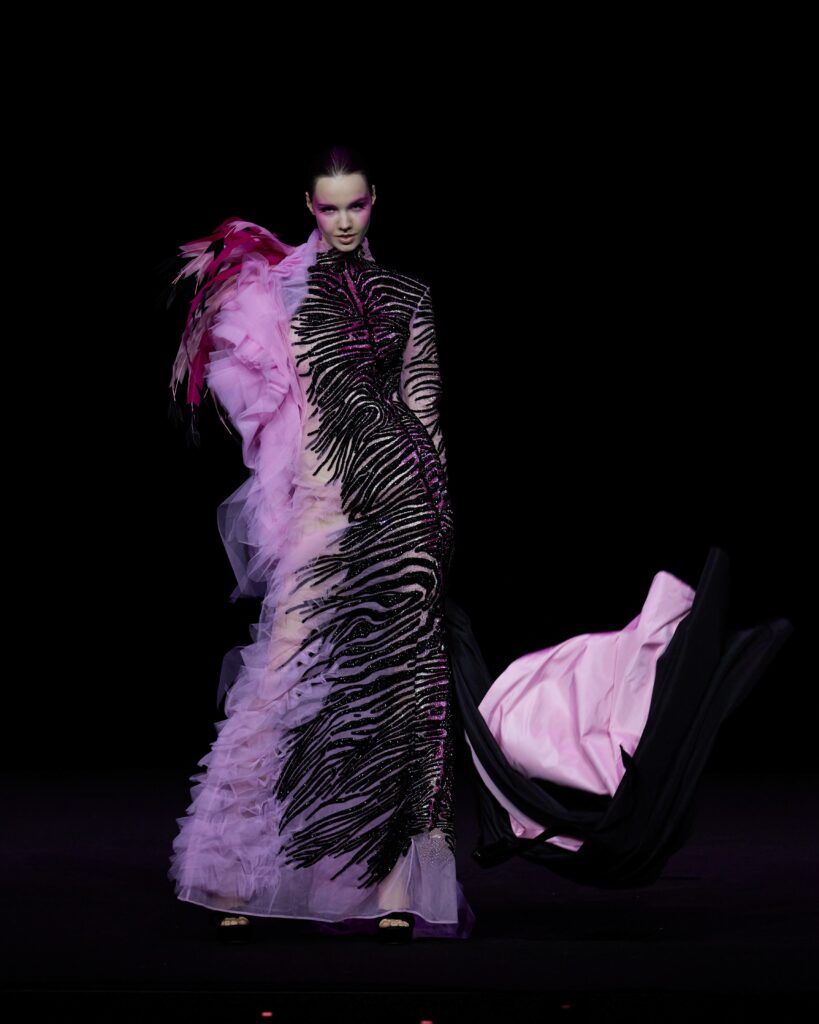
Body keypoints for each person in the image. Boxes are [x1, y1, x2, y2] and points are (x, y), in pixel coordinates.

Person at [165, 145, 795, 945]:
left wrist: (437, 521)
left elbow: (424, 412)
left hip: (407, 508)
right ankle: (240, 877)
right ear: (309, 207)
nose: (345, 220)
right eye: (329, 207)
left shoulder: (407, 294)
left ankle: (393, 887)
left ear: (374, 200)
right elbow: (265, 410)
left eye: (356, 204)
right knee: (288, 681)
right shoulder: (278, 297)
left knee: (402, 699)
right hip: (325, 508)